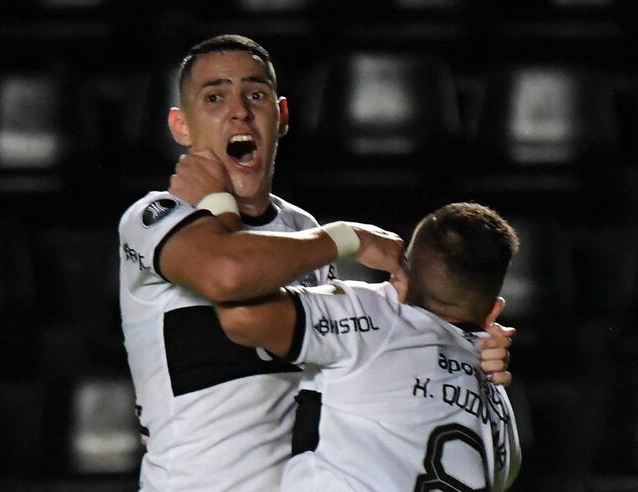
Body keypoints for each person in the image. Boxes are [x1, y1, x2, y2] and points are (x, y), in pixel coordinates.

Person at [119, 34, 514, 491]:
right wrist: (349, 237)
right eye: (214, 97)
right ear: (181, 126)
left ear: (280, 115)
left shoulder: (300, 229)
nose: (239, 110)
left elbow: (377, 345)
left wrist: (472, 347)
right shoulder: (155, 219)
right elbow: (227, 274)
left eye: (256, 94)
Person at [214, 202, 523, 491]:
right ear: (493, 311)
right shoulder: (502, 417)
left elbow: (239, 312)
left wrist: (348, 238)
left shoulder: (373, 315)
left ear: (398, 277)